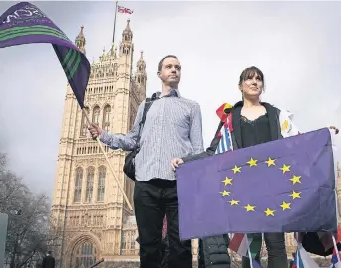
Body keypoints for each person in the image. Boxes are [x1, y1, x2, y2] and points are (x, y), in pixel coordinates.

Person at [171, 66, 339, 268]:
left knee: (276, 245)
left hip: (274, 187)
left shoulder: (276, 114)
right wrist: (186, 161)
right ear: (240, 85)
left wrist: (323, 134)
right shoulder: (231, 117)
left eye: (259, 79)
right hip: (243, 190)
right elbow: (213, 151)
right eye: (249, 79)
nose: (254, 82)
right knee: (250, 248)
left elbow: (298, 142)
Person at [89, 55, 204, 268]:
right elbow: (132, 140)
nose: (174, 70)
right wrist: (104, 135)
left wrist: (186, 161)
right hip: (146, 183)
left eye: (178, 67)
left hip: (177, 184)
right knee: (149, 248)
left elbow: (198, 150)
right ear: (159, 73)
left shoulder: (191, 107)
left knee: (181, 247)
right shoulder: (146, 105)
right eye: (169, 66)